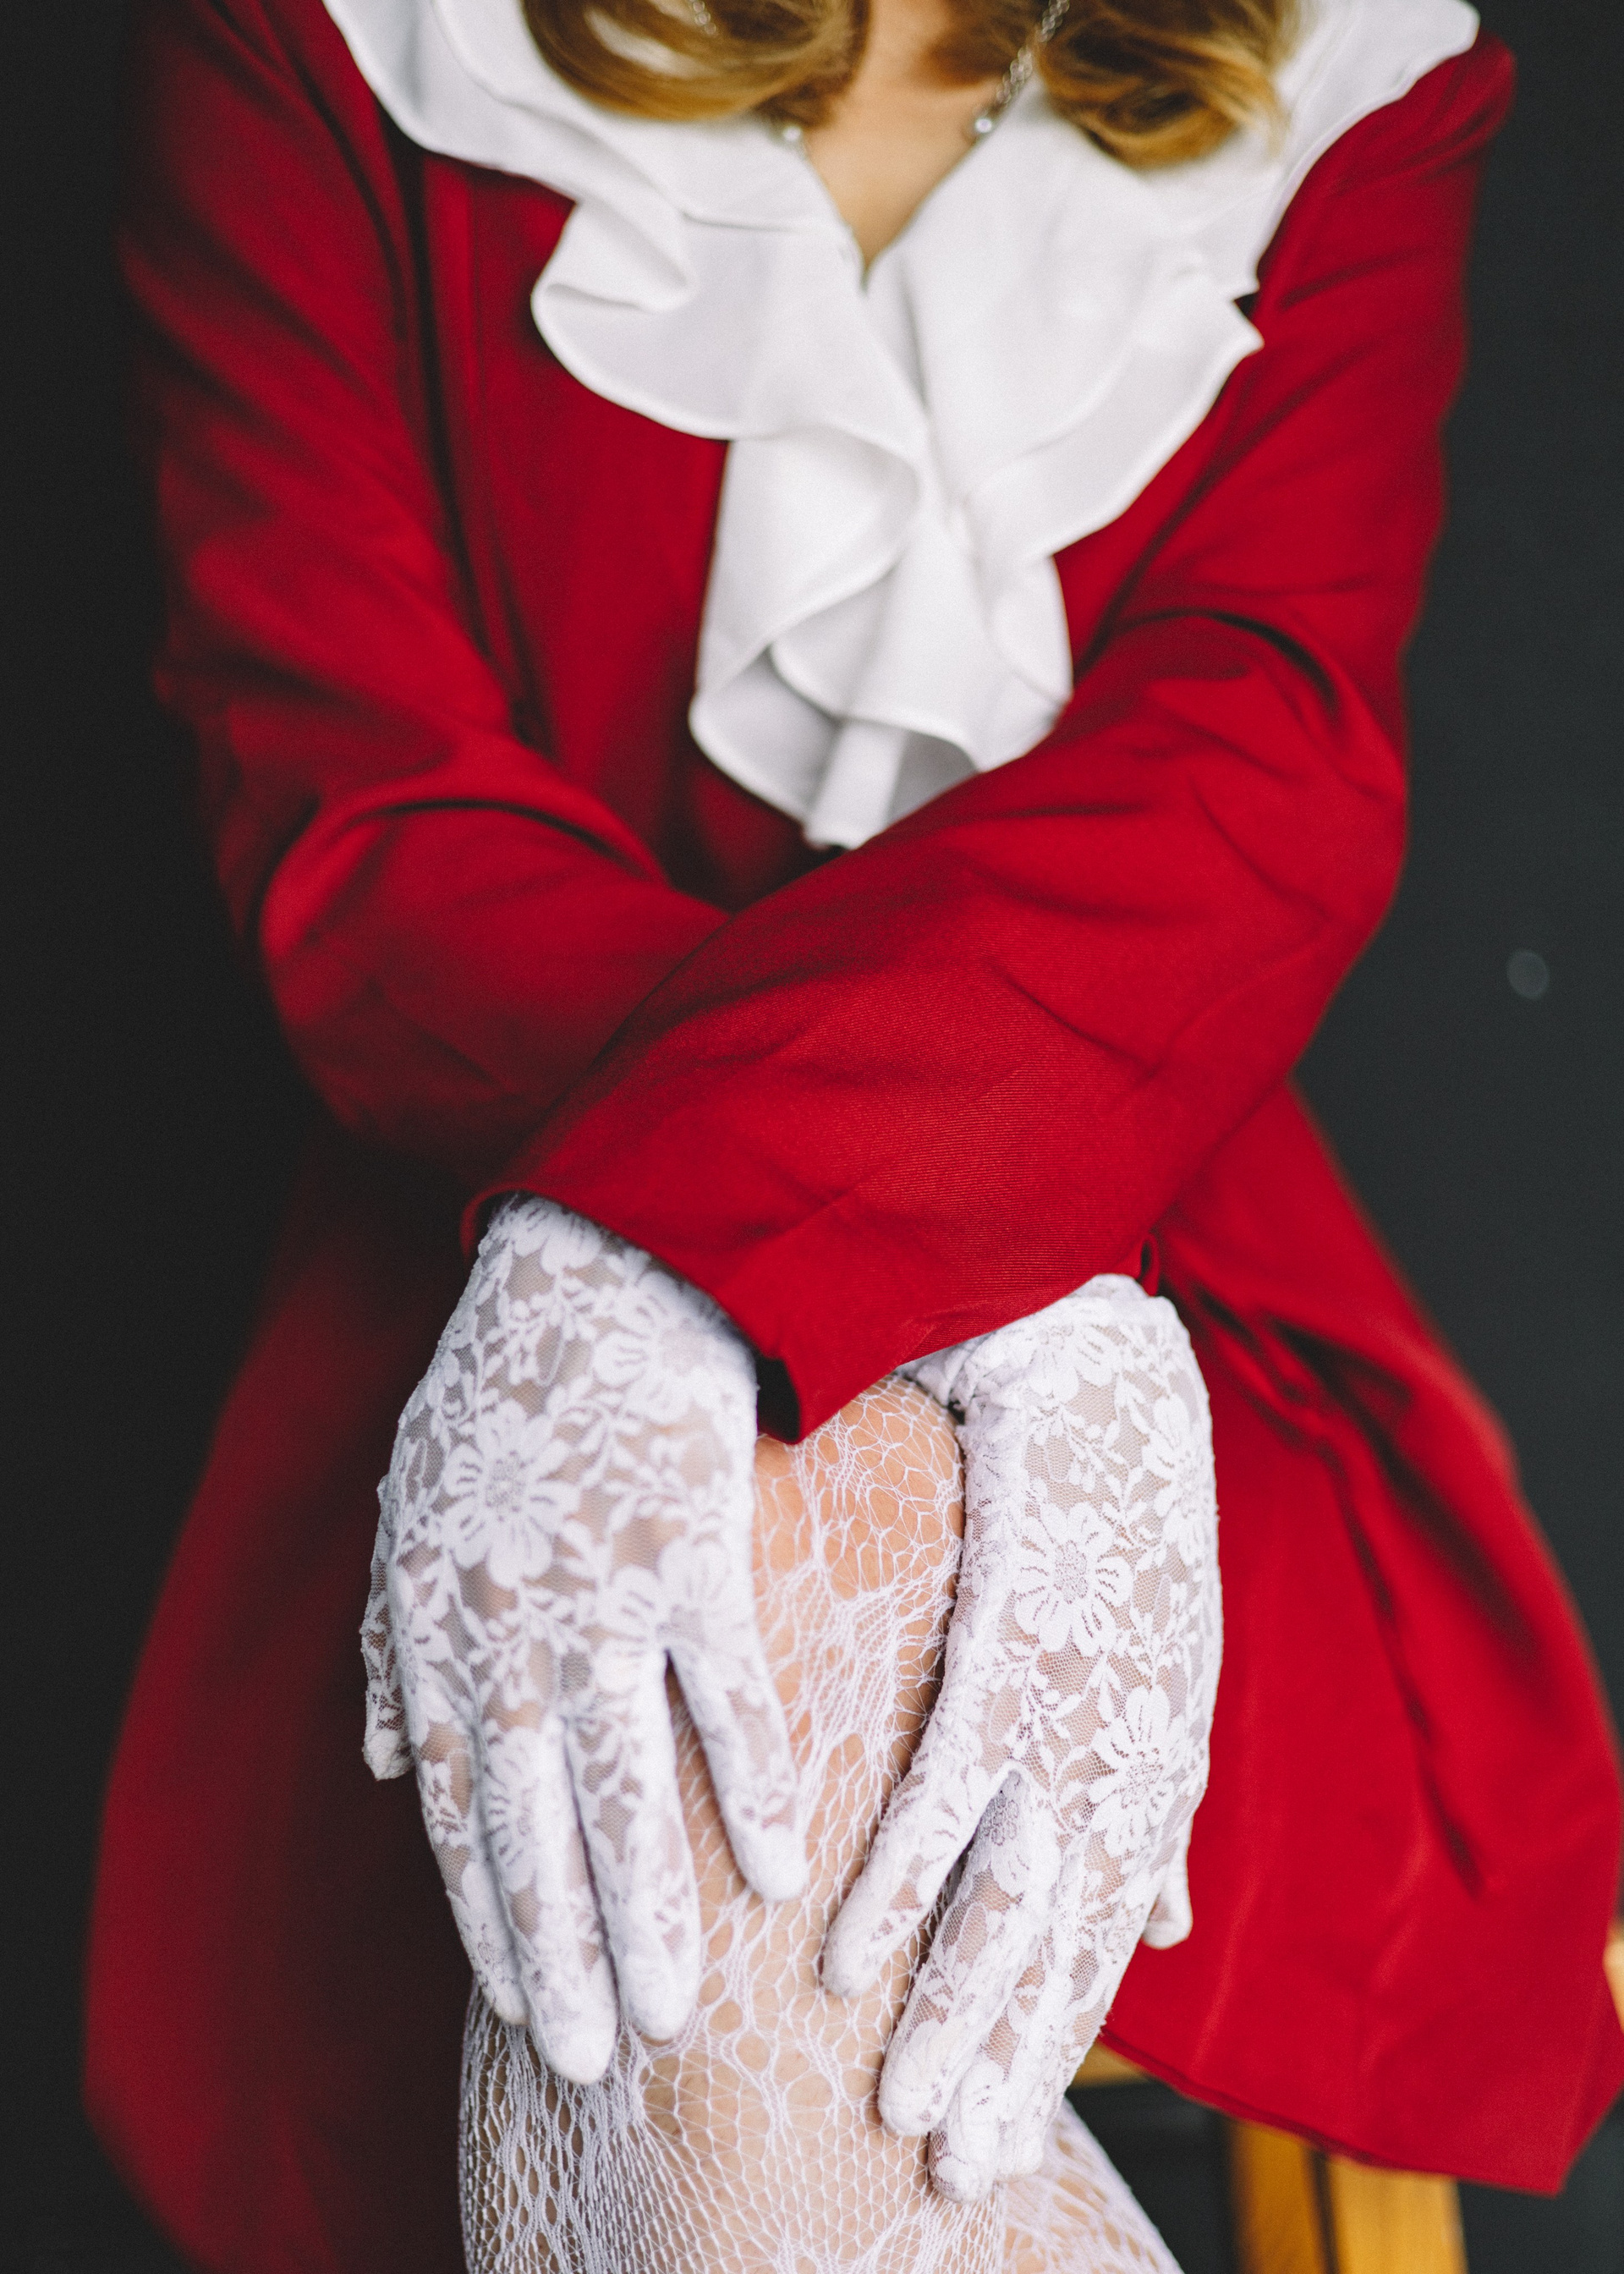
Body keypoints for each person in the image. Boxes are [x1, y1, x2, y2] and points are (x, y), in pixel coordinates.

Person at [87, 0, 1624, 2266]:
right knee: (706, 1721)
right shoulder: (310, 41)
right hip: (492, 1238)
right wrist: (781, 1234)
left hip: (1157, 1277)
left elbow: (1262, 757)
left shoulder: (1359, 75)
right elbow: (353, 796)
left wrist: (989, 1251)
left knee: (724, 1832)